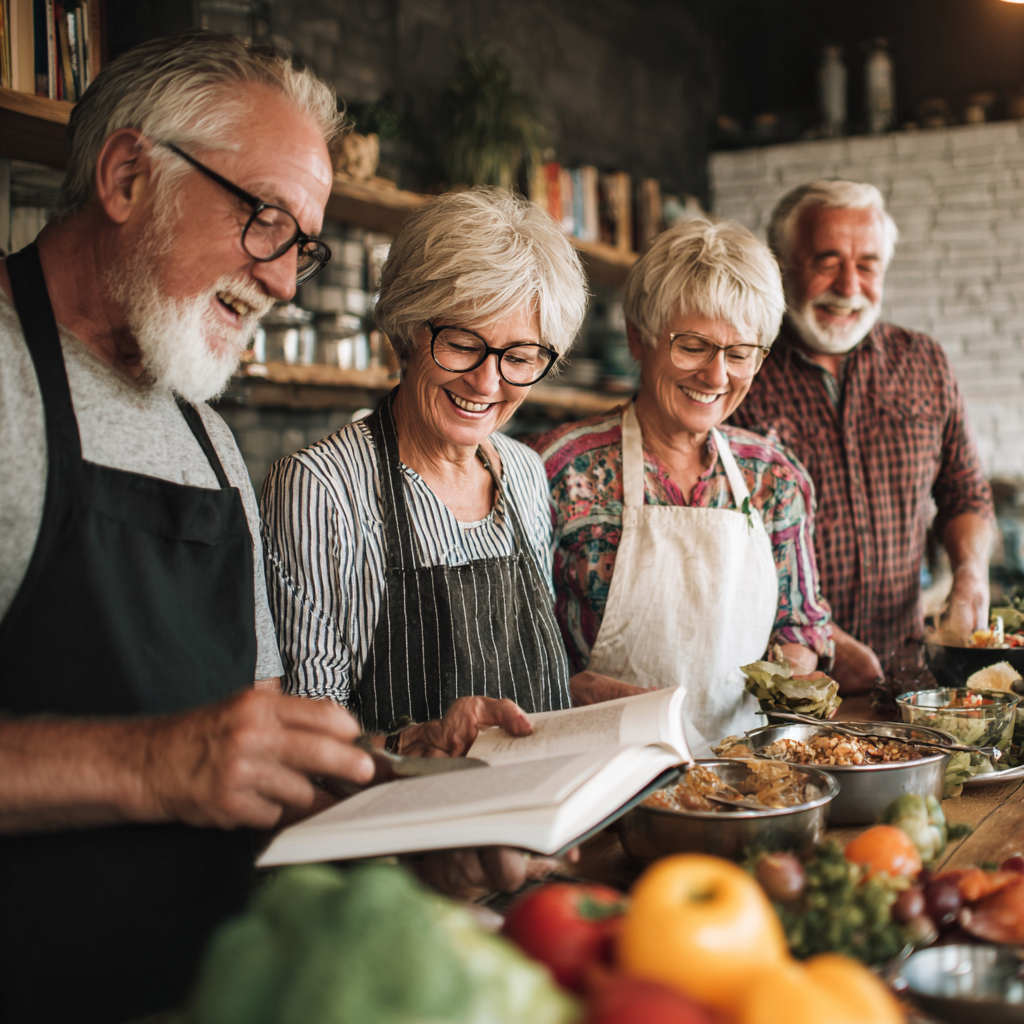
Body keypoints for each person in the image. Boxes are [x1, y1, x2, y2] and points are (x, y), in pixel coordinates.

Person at [0, 33, 526, 1024]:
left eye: (303, 245)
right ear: (126, 175)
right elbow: (189, 760)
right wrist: (152, 765)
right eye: (265, 221)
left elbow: (260, 748)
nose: (286, 282)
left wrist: (414, 807)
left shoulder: (206, 437)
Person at [261, 186, 645, 741]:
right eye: (463, 345)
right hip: (401, 799)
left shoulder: (524, 473)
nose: (486, 384)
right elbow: (307, 740)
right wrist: (416, 744)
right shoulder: (320, 489)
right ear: (405, 331)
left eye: (519, 357)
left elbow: (520, 680)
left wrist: (574, 694)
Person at [530, 220, 833, 757]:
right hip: (595, 767)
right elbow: (512, 655)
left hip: (745, 771)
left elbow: (800, 624)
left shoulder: (773, 478)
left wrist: (790, 673)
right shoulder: (555, 468)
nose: (716, 377)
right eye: (693, 346)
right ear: (637, 338)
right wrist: (570, 689)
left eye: (739, 353)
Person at [730, 180, 994, 693]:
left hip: (910, 676)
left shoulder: (924, 361)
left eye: (868, 265)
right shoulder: (740, 372)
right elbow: (724, 545)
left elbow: (965, 492)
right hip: (788, 683)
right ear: (782, 266)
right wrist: (823, 637)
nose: (849, 286)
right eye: (826, 262)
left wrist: (971, 573)